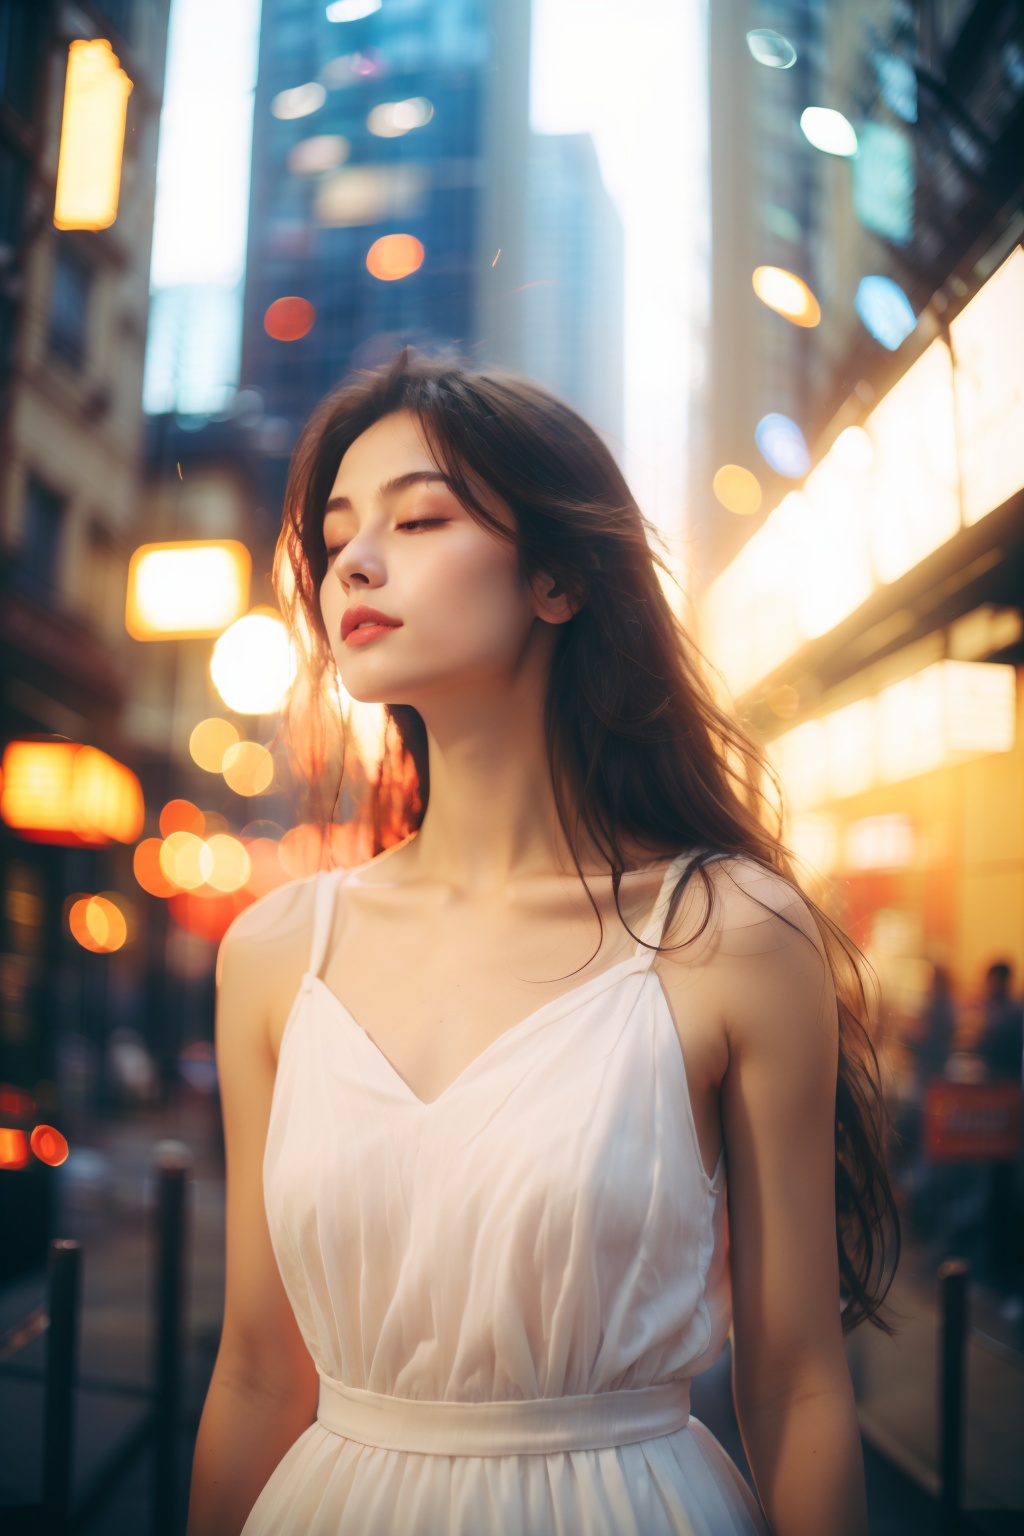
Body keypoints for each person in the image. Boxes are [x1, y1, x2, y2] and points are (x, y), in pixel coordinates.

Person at [187, 355, 898, 1536]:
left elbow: (795, 1383)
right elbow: (261, 1372)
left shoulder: (726, 934)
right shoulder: (274, 953)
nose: (354, 562)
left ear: (559, 577)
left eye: (420, 518)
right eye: (337, 537)